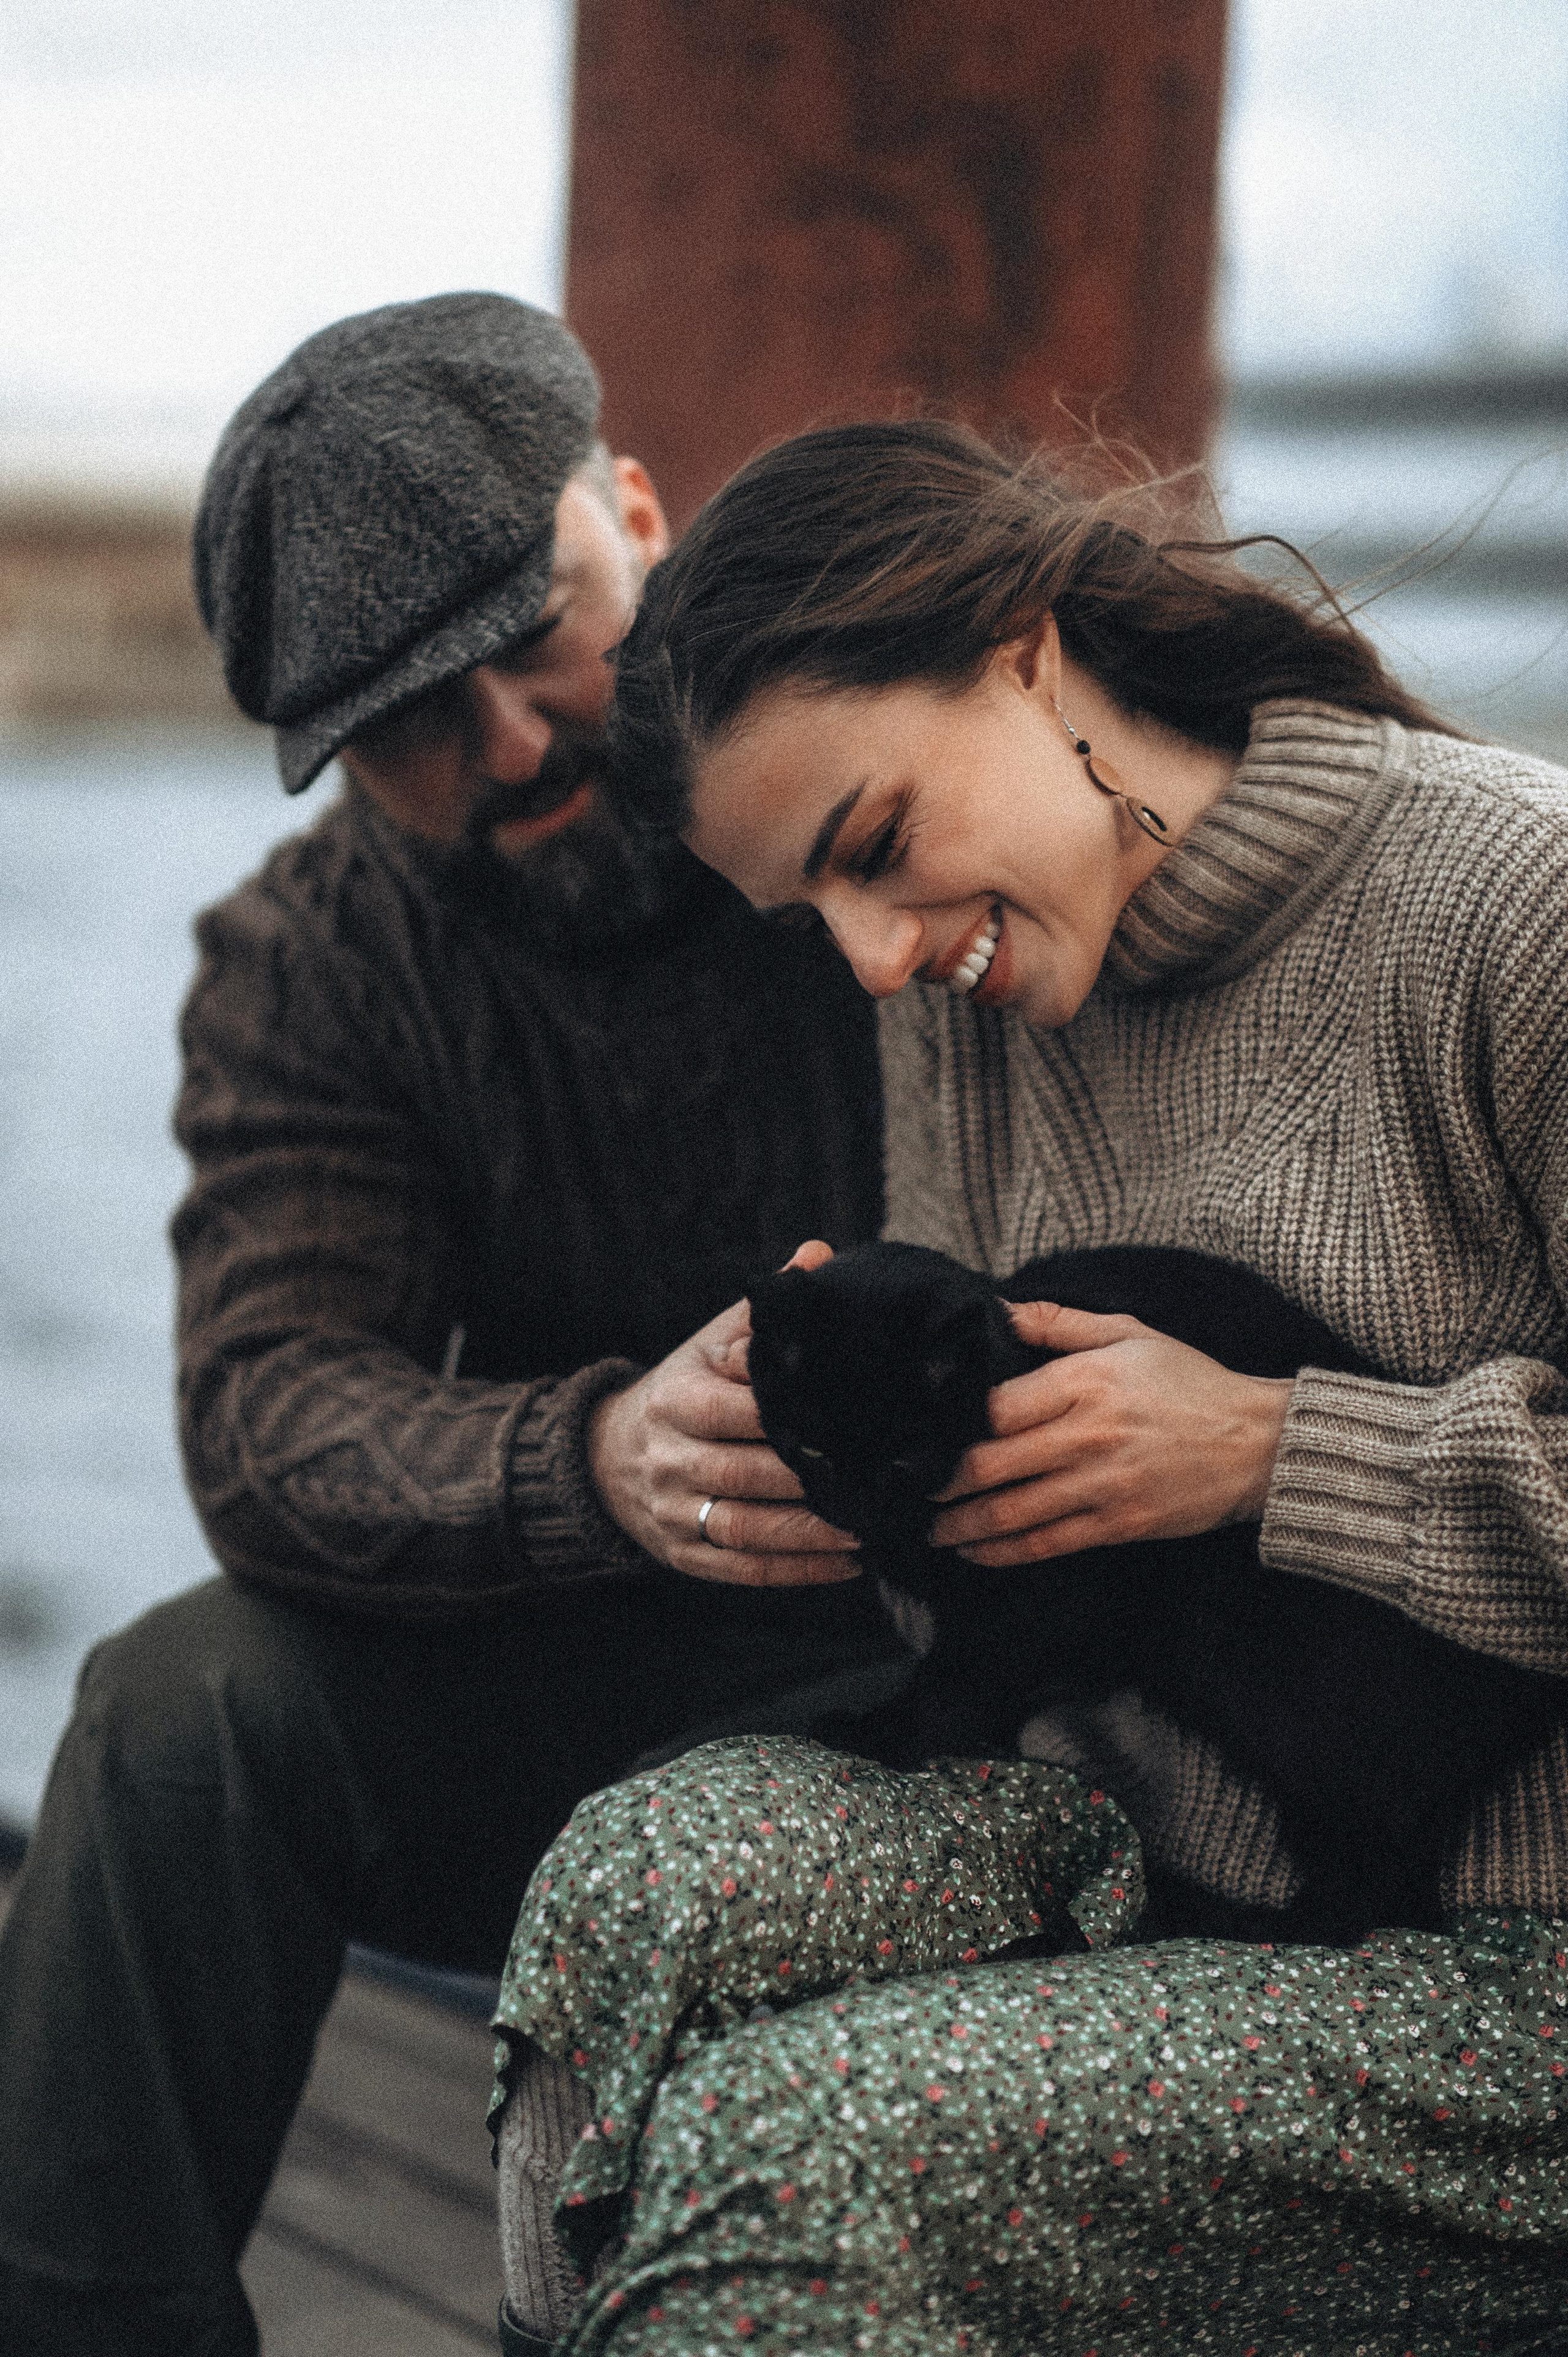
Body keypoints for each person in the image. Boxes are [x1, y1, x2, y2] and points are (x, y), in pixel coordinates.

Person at [512, 415, 1568, 2351]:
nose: (876, 957)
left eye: (875, 849)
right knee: (625, 1888)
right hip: (1120, 1837)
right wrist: (837, 1455)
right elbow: (1008, 1601)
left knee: (805, 2148)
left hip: (1516, 1952)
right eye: (809, 918)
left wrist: (1273, 1450)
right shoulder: (971, 995)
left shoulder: (1524, 909)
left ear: (1026, 647)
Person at [0, 298, 906, 2357]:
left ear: (645, 517)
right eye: (412, 718)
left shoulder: (900, 777)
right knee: (177, 1712)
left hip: (998, 1649)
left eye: (539, 635)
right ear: (319, 749)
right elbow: (271, 1415)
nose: (511, 747)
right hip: (591, 1679)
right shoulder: (308, 969)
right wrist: (598, 1464)